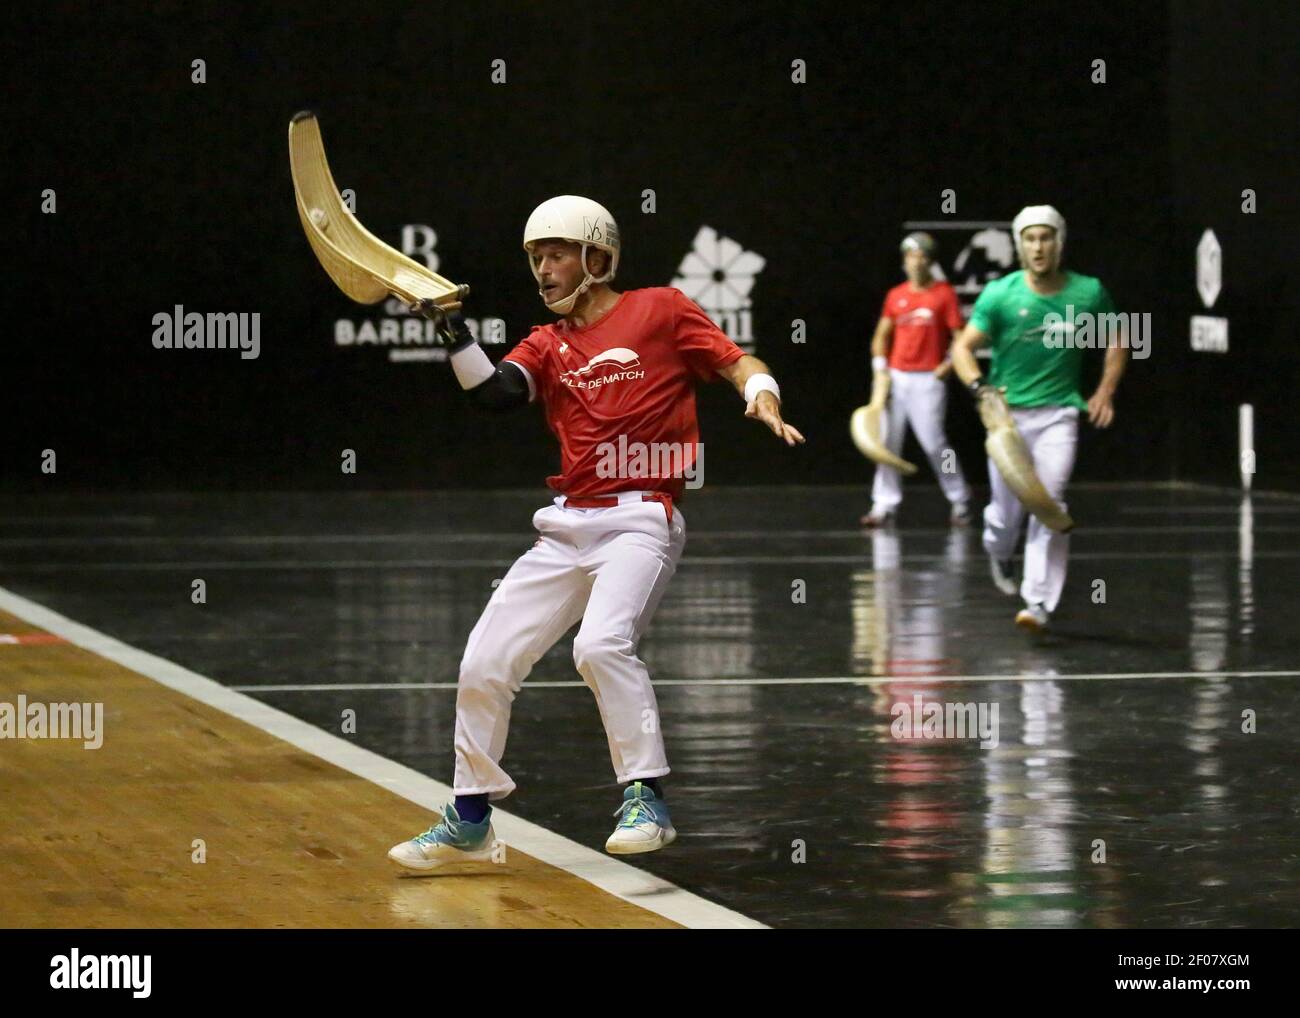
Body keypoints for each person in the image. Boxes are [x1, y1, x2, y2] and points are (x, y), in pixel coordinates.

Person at [388, 195, 804, 872]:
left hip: (642, 519)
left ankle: (645, 797)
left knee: (602, 644)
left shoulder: (661, 309)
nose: (542, 270)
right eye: (535, 258)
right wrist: (452, 333)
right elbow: (494, 394)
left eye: (554, 255)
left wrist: (763, 393)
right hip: (566, 527)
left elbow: (737, 362)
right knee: (483, 660)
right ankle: (469, 815)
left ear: (598, 258)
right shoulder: (545, 343)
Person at [950, 205, 1128, 630]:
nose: (1038, 246)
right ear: (1019, 245)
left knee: (1049, 502)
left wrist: (1105, 390)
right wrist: (981, 389)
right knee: (1006, 515)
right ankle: (999, 552)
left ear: (1059, 242)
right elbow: (961, 349)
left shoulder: (1088, 293)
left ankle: (1038, 602)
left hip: (1059, 414)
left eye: (1046, 237)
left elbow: (1121, 335)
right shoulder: (1000, 294)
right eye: (1029, 239)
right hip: (1006, 422)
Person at [861, 232, 971, 527]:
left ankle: (959, 500)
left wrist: (948, 364)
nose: (915, 261)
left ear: (931, 261)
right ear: (905, 261)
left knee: (935, 443)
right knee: (887, 442)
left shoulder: (944, 294)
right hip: (895, 378)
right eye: (910, 256)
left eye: (921, 256)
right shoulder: (896, 295)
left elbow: (961, 338)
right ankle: (883, 505)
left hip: (928, 381)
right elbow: (881, 336)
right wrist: (880, 365)